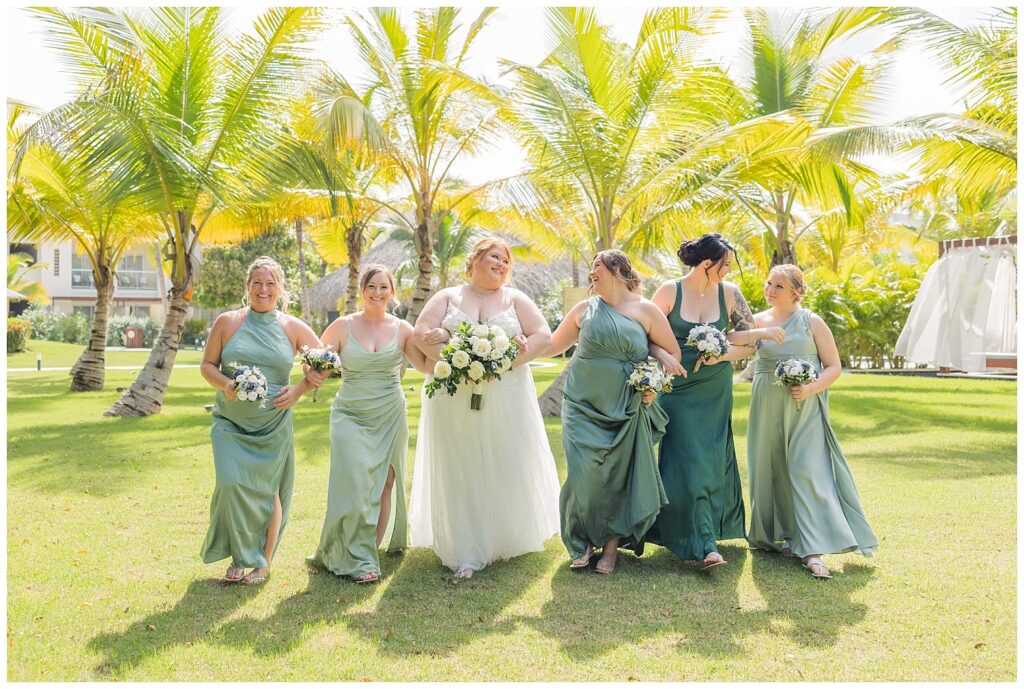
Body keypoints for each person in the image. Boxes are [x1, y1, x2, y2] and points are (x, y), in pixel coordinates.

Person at [408, 238, 561, 579]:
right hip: (454, 397)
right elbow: (420, 334)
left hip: (506, 395)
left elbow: (543, 337)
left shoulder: (515, 299)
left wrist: (501, 364)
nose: (502, 264)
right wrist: (455, 360)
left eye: (506, 261)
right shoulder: (448, 296)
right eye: (495, 256)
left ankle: (502, 537)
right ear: (475, 259)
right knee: (459, 464)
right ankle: (466, 546)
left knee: (504, 461)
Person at [645, 234, 785, 570]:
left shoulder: (730, 293)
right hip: (677, 388)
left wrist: (720, 357)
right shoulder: (668, 291)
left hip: (715, 388)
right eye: (724, 264)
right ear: (706, 263)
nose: (728, 270)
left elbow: (747, 341)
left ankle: (704, 539)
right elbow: (645, 336)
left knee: (707, 458)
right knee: (686, 458)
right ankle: (700, 540)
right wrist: (665, 356)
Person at [548, 250, 684, 575]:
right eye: (591, 266)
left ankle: (610, 549)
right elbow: (552, 345)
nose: (591, 272)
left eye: (597, 266)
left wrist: (654, 384)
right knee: (584, 473)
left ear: (618, 270)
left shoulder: (646, 309)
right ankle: (582, 543)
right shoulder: (585, 308)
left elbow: (672, 354)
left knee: (618, 476)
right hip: (581, 403)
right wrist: (510, 352)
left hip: (626, 405)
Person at [747, 264, 878, 579]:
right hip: (766, 405)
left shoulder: (812, 322)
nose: (770, 289)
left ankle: (812, 550)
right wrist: (712, 352)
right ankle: (786, 535)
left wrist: (809, 388)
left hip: (806, 407)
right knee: (774, 468)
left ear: (797, 292)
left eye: (778, 286)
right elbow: (736, 346)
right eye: (768, 284)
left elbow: (834, 366)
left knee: (806, 471)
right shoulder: (757, 322)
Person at [306, 265, 432, 583]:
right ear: (362, 290)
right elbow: (317, 362)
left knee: (386, 483)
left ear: (392, 292)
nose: (377, 293)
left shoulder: (403, 329)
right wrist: (313, 372)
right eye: (371, 286)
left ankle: (366, 554)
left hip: (391, 413)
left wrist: (459, 353)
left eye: (384, 287)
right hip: (349, 414)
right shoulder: (341, 326)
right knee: (354, 482)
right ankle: (346, 549)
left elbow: (425, 365)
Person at [199, 256, 321, 585]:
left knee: (270, 493)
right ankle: (240, 554)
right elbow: (207, 365)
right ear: (248, 288)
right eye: (257, 283)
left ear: (280, 289)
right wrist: (225, 384)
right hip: (230, 424)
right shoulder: (227, 322)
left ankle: (261, 562)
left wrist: (301, 387)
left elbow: (327, 362)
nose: (263, 289)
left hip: (273, 424)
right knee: (230, 484)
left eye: (270, 284)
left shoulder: (293, 327)